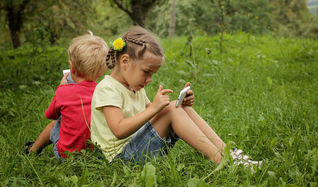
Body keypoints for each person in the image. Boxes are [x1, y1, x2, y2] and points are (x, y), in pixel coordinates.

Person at [91, 27, 261, 168]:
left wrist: (180, 104)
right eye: (146, 72)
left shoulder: (134, 87)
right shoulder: (107, 89)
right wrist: (156, 108)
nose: (149, 80)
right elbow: (119, 130)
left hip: (137, 147)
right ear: (125, 61)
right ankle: (222, 162)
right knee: (172, 110)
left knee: (178, 107)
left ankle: (228, 153)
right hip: (121, 159)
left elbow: (153, 118)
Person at [25, 34, 108, 159]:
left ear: (71, 67)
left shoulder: (63, 91)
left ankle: (33, 150)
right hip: (95, 154)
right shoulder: (104, 92)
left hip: (65, 155)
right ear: (102, 71)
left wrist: (61, 88)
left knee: (56, 122)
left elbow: (50, 115)